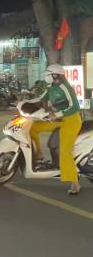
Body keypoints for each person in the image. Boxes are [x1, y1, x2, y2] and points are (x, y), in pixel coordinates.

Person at [30, 63, 82, 195]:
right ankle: (38, 154)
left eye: (48, 75)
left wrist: (56, 114)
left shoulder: (65, 87)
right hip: (57, 119)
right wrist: (25, 103)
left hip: (71, 121)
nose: (46, 77)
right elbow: (41, 98)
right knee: (33, 128)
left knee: (64, 151)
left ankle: (74, 182)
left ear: (55, 75)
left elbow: (75, 106)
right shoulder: (51, 87)